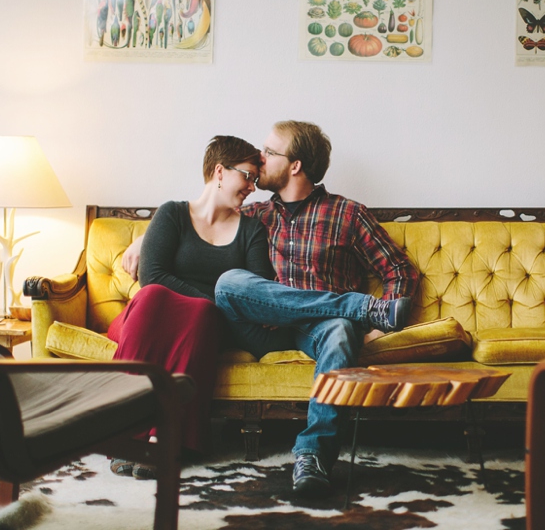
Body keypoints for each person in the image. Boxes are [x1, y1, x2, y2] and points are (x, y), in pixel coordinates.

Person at [123, 120, 420, 497]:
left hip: (319, 328)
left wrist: (382, 328)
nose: (259, 161)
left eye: (269, 153)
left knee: (342, 328)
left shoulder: (348, 214)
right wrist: (142, 237)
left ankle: (313, 455)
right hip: (261, 327)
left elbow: (399, 270)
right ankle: (361, 307)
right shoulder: (255, 214)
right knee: (230, 281)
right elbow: (198, 217)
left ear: (295, 165)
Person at [107, 135, 273, 479]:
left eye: (257, 180)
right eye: (248, 176)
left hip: (207, 326)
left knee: (200, 314)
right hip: (151, 317)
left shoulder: (252, 231)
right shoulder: (173, 214)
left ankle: (163, 439)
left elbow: (255, 293)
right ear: (220, 172)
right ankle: (125, 432)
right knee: (157, 297)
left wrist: (210, 308)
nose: (253, 187)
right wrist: (213, 300)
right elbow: (152, 277)